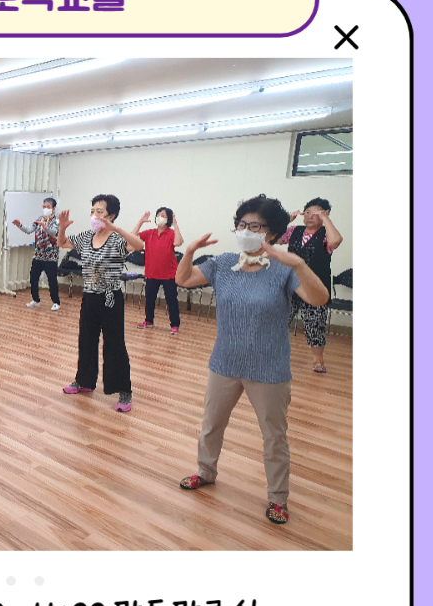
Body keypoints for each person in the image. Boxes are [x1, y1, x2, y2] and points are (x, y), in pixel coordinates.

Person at [174, 194, 330, 525]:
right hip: (225, 362)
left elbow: (319, 299)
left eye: (255, 226)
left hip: (269, 367)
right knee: (211, 424)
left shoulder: (283, 269)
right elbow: (183, 280)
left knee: (274, 436)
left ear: (271, 232)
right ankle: (205, 471)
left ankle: (278, 498)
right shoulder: (223, 263)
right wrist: (188, 252)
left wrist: (299, 264)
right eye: (242, 225)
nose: (247, 231)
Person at [56, 194, 145, 412]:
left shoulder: (116, 239)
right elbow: (62, 243)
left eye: (100, 211)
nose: (94, 215)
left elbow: (139, 245)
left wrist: (116, 229)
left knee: (115, 345)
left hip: (110, 298)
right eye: (92, 211)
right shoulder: (87, 236)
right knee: (86, 340)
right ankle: (84, 381)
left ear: (111, 215)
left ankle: (124, 391)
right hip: (89, 297)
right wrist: (62, 228)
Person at [280, 198, 344, 373]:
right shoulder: (294, 231)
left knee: (314, 324)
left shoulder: (326, 234)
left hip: (315, 287)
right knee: (279, 320)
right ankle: (273, 353)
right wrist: (286, 221)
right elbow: (272, 239)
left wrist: (326, 219)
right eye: (307, 212)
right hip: (291, 284)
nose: (309, 216)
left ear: (324, 215)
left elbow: (335, 241)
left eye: (315, 213)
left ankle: (318, 360)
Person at [132, 206, 185, 334]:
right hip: (152, 272)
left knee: (171, 300)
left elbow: (178, 242)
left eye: (163, 215)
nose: (160, 217)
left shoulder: (171, 233)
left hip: (169, 274)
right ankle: (149, 321)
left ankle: (175, 325)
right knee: (149, 299)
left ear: (168, 219)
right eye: (159, 215)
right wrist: (141, 221)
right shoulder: (150, 233)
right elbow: (132, 237)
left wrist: (175, 224)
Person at [13, 197, 61, 310]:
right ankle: (36, 300)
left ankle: (56, 302)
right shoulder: (40, 219)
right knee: (33, 278)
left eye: (48, 207)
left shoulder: (57, 221)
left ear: (54, 208)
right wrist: (19, 225)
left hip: (51, 256)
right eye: (44, 206)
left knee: (52, 280)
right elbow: (29, 230)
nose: (45, 209)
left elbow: (54, 232)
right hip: (38, 256)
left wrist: (45, 227)